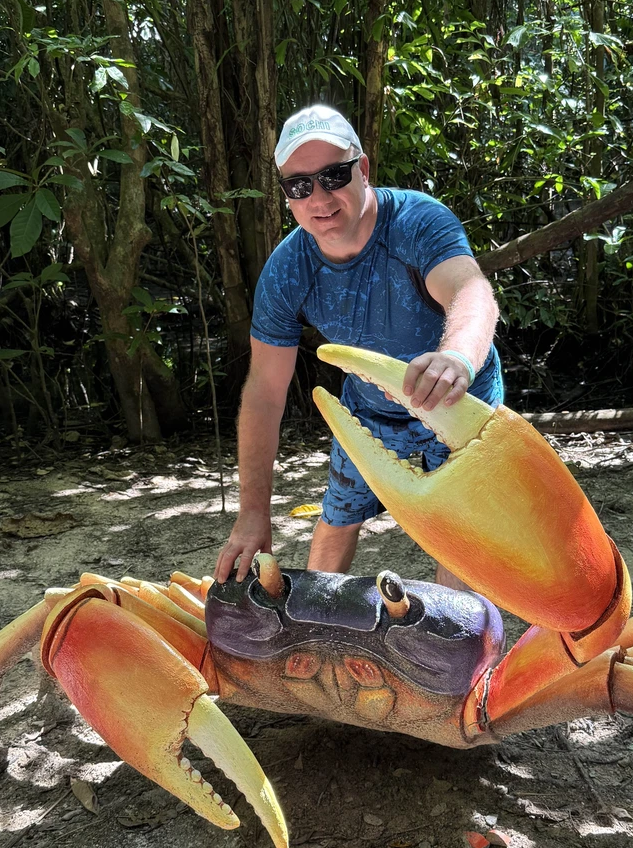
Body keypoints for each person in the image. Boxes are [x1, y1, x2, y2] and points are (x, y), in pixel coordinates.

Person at [214, 104, 502, 587]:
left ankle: (453, 648)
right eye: (299, 185)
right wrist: (252, 512)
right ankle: (314, 626)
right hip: (370, 408)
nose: (319, 197)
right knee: (340, 512)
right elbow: (265, 391)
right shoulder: (288, 270)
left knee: (460, 531)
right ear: (287, 196)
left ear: (363, 169)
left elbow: (470, 291)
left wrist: (455, 357)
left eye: (333, 175)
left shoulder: (416, 221)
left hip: (457, 399)